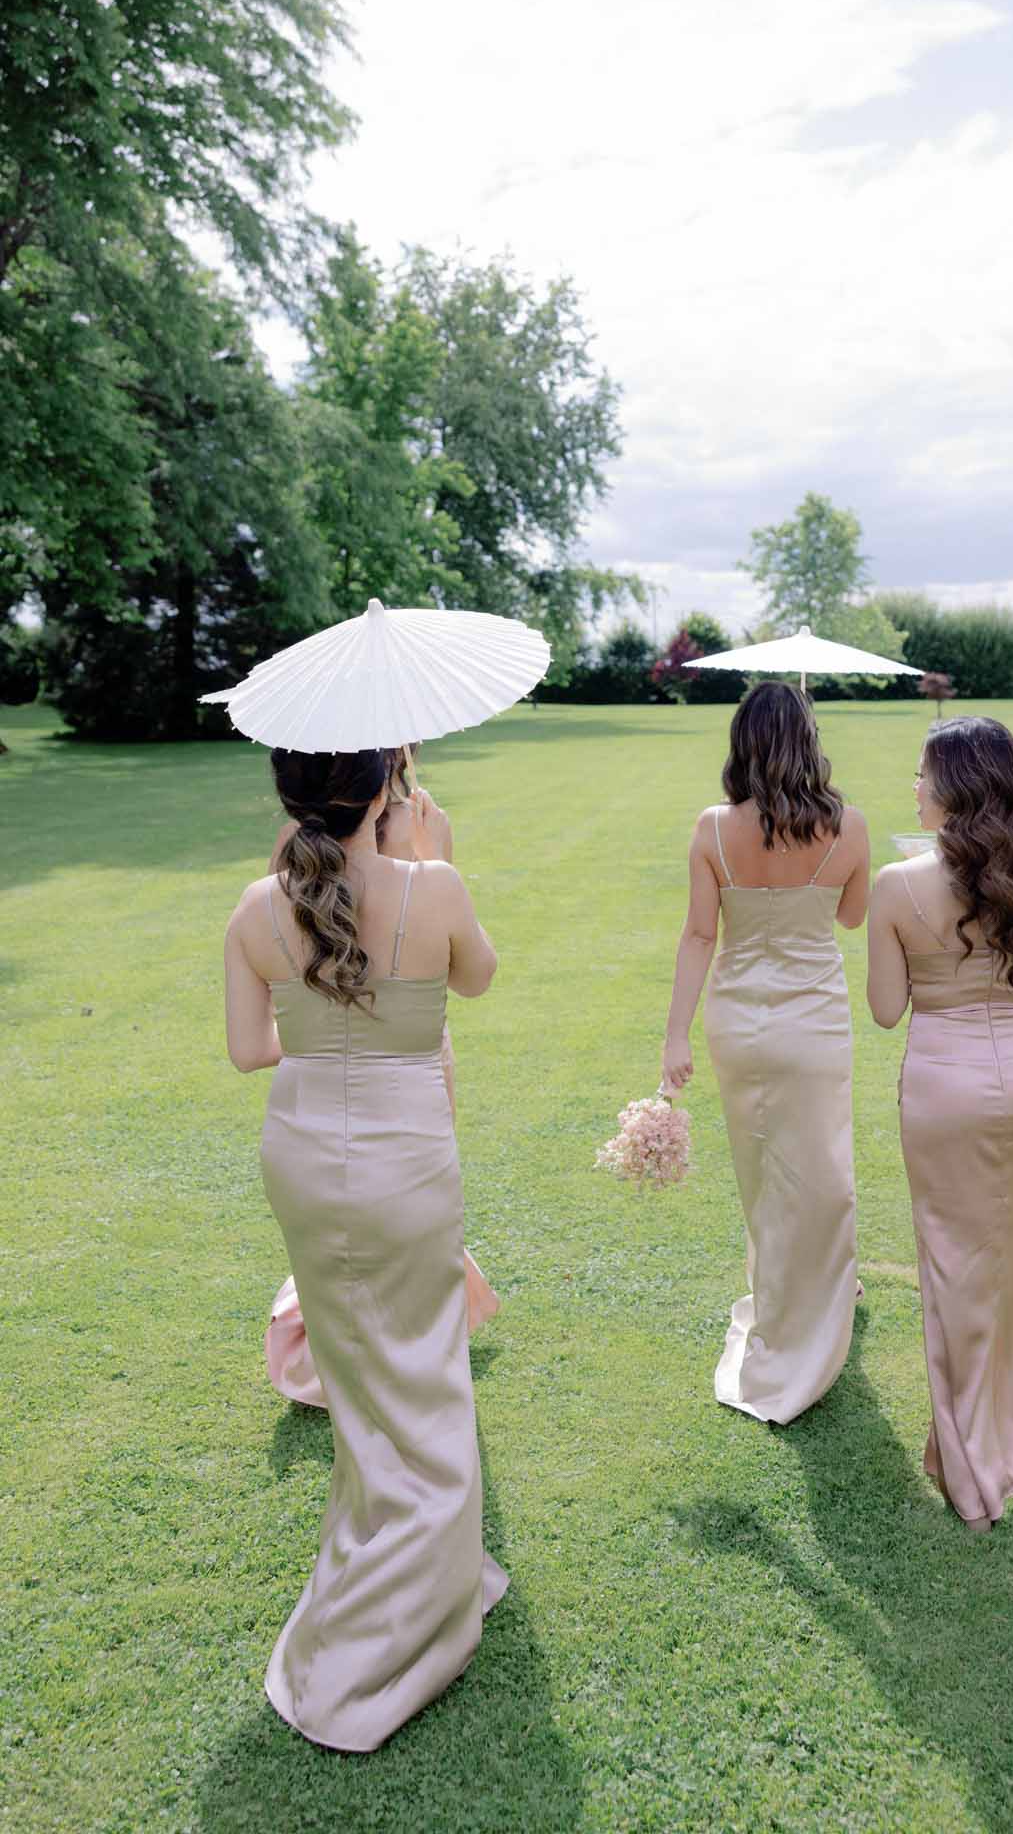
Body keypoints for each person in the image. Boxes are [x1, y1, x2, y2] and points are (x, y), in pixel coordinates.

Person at [224, 747, 507, 1750]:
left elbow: (251, 1049)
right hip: (404, 1153)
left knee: (355, 1367)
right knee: (423, 1372)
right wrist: (430, 857)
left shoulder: (254, 909)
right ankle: (409, 1613)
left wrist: (323, 1019)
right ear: (383, 787)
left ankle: (376, 1554)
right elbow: (477, 978)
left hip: (302, 1150)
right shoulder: (430, 884)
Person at [866, 716, 1013, 1531]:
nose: (916, 789)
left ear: (958, 788)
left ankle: (966, 1456)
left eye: (924, 776)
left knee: (953, 1268)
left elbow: (887, 1011)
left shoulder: (897, 885)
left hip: (944, 1089)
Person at [662, 681, 870, 1424]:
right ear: (809, 741)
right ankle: (816, 1306)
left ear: (743, 742)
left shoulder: (714, 828)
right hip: (813, 1021)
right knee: (821, 1171)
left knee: (763, 1175)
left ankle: (788, 1301)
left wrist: (674, 1036)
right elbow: (851, 918)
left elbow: (697, 936)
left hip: (739, 1023)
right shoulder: (850, 825)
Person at [263, 750, 497, 1406]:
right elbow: (472, 973)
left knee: (396, 1212)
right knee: (371, 1205)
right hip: (374, 1060)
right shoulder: (311, 845)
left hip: (397, 1055)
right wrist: (438, 865)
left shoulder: (404, 809)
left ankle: (404, 1342)